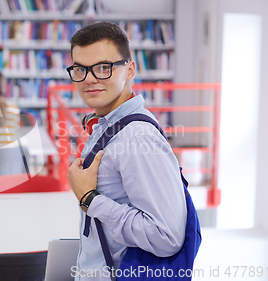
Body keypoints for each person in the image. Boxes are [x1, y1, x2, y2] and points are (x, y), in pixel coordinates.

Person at [66, 22, 186, 280]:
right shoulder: (108, 124)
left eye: (103, 67)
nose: (89, 79)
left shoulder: (137, 137)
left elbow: (167, 237)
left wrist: (90, 199)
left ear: (129, 70)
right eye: (80, 69)